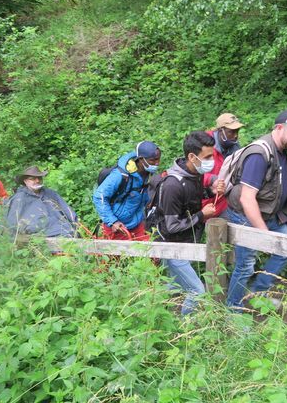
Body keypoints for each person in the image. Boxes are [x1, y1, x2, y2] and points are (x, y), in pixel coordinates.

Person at [223, 109, 287, 311]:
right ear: (279, 128)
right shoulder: (259, 155)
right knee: (245, 265)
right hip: (246, 216)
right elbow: (247, 198)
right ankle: (233, 308)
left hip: (270, 214)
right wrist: (264, 235)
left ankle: (257, 294)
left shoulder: (281, 150)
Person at [150, 131, 225, 315]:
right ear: (192, 156)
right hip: (172, 246)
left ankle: (150, 309)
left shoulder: (194, 174)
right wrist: (202, 215)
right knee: (197, 291)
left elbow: (191, 198)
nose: (211, 161)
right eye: (207, 157)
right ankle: (186, 331)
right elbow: (171, 226)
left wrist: (211, 191)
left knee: (173, 285)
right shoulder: (172, 185)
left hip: (187, 242)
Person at [93, 141, 161, 241]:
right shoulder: (120, 175)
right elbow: (99, 197)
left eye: (158, 159)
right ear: (141, 159)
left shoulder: (147, 173)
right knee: (116, 256)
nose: (157, 163)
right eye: (153, 160)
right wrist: (113, 222)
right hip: (118, 228)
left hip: (137, 224)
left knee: (147, 254)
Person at [4, 166, 78, 238]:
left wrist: (76, 224)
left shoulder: (50, 193)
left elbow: (68, 211)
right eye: (33, 179)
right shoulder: (19, 198)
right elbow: (12, 223)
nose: (37, 181)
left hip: (63, 230)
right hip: (38, 234)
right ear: (25, 181)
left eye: (39, 178)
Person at [202, 113, 245, 218]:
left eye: (237, 131)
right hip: (201, 201)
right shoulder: (204, 144)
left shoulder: (235, 148)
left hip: (223, 202)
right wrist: (212, 179)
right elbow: (192, 170)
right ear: (220, 130)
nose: (235, 135)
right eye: (231, 131)